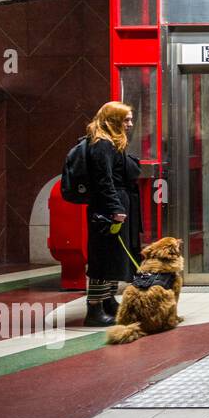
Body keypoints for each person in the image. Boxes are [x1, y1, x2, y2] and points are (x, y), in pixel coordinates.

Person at [82, 101, 142, 327]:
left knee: (114, 257)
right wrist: (115, 209)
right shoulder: (102, 145)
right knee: (104, 258)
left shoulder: (111, 142)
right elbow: (104, 181)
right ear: (113, 120)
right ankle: (94, 309)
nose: (130, 124)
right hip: (107, 210)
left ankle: (108, 301)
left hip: (114, 205)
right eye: (125, 119)